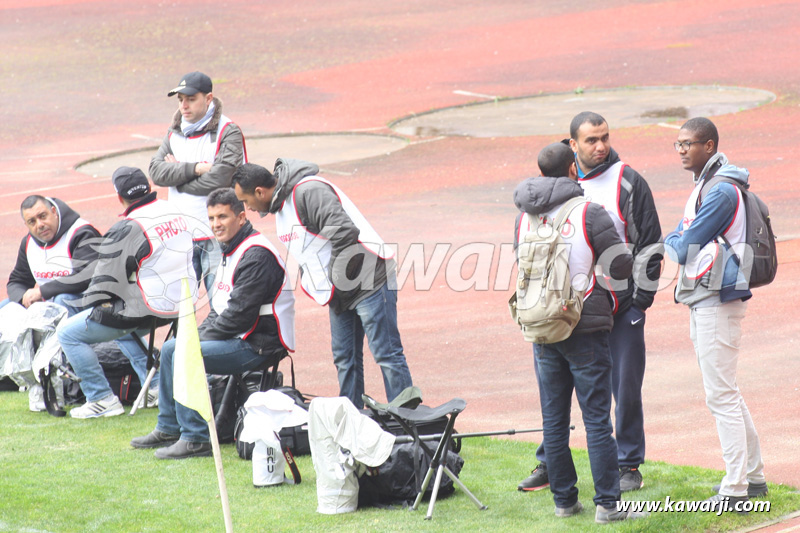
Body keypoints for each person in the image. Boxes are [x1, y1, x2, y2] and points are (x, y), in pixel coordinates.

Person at [518, 112, 663, 493]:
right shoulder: (555, 186)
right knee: (555, 390)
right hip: (568, 311)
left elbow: (649, 243)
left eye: (605, 138)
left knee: (625, 387)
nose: (601, 146)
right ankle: (550, 462)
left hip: (621, 306)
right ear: (572, 147)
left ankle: (628, 464)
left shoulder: (628, 181)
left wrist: (640, 301)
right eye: (591, 141)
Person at [231, 160, 413, 409]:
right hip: (341, 292)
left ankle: (410, 424)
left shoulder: (308, 192)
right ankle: (351, 421)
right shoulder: (281, 207)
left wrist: (336, 281)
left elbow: (344, 233)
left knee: (386, 354)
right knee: (345, 359)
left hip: (369, 281)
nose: (247, 208)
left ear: (260, 192)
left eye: (246, 200)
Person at [131, 188, 296, 459]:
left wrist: (194, 341)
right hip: (241, 336)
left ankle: (195, 438)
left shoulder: (255, 254)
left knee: (180, 350)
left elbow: (238, 317)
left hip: (259, 344)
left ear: (241, 217)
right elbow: (219, 310)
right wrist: (195, 336)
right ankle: (169, 427)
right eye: (211, 218)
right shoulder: (231, 248)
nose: (216, 224)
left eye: (223, 216)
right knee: (175, 347)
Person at [664, 117, 767, 508]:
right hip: (708, 298)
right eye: (678, 144)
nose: (681, 150)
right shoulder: (707, 185)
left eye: (688, 144)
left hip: (715, 301)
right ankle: (752, 478)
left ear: (709, 146)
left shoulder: (721, 191)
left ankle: (736, 489)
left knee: (720, 396)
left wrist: (675, 239)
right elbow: (679, 237)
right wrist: (676, 238)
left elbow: (682, 244)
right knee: (728, 393)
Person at [57, 167, 196, 419]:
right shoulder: (174, 210)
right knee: (114, 319)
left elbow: (105, 283)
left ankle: (101, 399)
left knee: (68, 333)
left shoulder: (128, 227)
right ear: (149, 188)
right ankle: (152, 386)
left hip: (147, 309)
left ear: (119, 197)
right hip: (183, 303)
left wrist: (91, 302)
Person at [149, 71, 247, 292]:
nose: (184, 105)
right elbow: (156, 172)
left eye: (191, 99)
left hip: (220, 237)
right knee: (182, 310)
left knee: (222, 305)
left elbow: (220, 179)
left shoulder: (228, 131)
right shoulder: (175, 131)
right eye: (181, 99)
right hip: (181, 237)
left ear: (208, 98)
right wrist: (195, 168)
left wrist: (178, 179)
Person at [4, 196, 101, 315]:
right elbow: (17, 280)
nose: (39, 224)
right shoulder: (28, 243)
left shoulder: (81, 233)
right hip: (48, 300)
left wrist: (42, 292)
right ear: (26, 225)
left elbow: (85, 276)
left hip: (90, 303)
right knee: (7, 306)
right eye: (32, 221)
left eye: (43, 216)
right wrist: (24, 298)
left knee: (62, 300)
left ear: (54, 212)